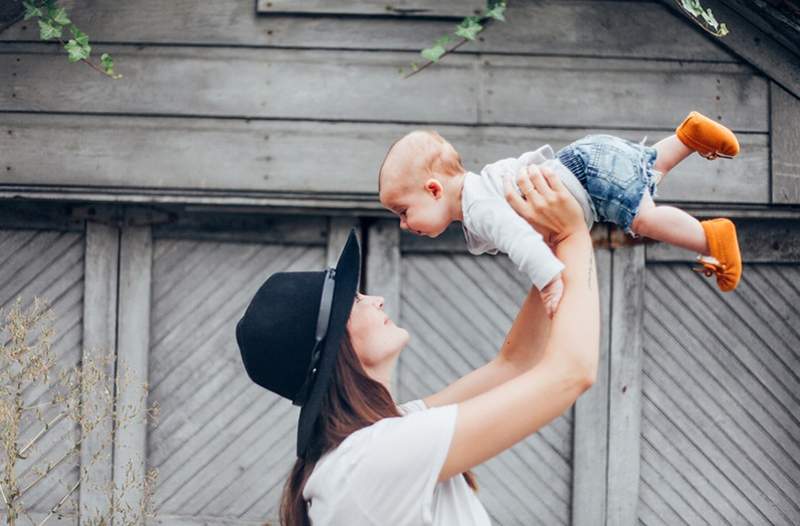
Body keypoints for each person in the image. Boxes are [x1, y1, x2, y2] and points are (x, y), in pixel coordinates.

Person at [235, 168, 600, 525]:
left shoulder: (376, 441)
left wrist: (551, 247)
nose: (375, 299)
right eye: (355, 301)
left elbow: (515, 363)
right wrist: (573, 235)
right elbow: (570, 373)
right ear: (334, 349)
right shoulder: (375, 457)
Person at [378, 111, 743, 317]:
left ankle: (711, 238)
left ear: (434, 189)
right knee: (644, 171)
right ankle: (688, 137)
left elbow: (520, 240)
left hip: (588, 177)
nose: (403, 224)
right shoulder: (483, 187)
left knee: (642, 218)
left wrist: (550, 281)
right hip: (587, 163)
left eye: (403, 211)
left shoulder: (478, 207)